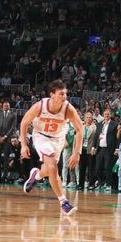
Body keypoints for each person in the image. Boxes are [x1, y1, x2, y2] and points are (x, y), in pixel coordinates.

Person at [19, 80, 84, 216]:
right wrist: (24, 145)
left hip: (58, 139)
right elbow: (24, 122)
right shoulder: (40, 106)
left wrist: (77, 152)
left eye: (65, 94)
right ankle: (64, 202)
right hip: (41, 136)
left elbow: (80, 130)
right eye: (61, 94)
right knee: (53, 166)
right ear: (52, 94)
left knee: (49, 169)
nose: (64, 97)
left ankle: (37, 175)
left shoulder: (68, 109)